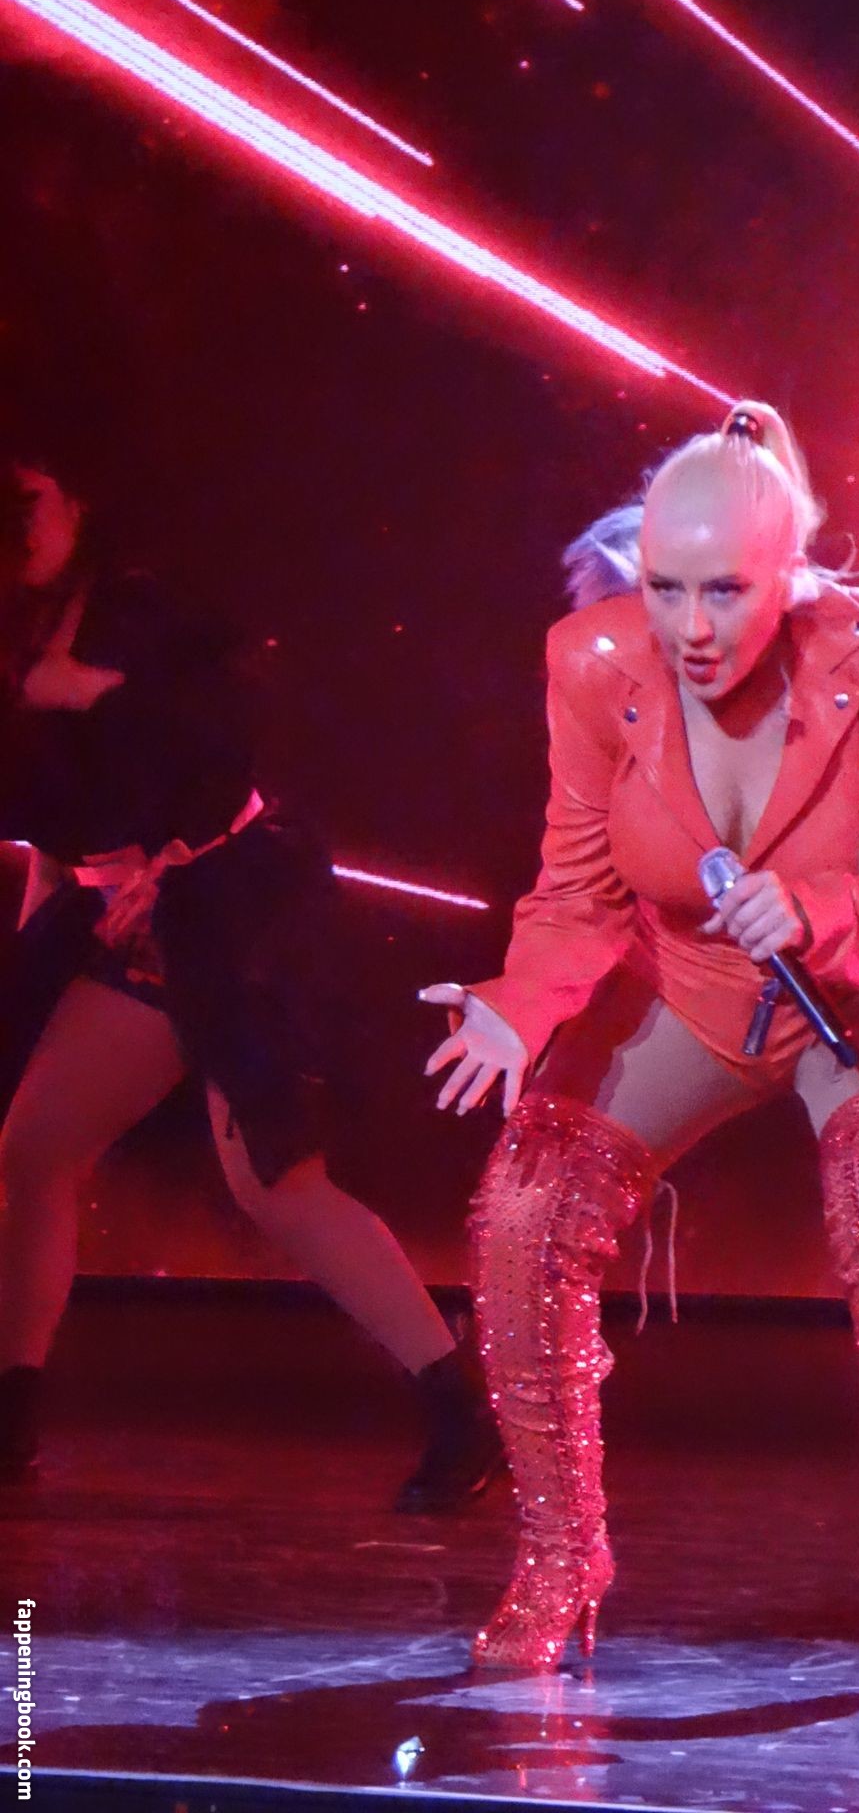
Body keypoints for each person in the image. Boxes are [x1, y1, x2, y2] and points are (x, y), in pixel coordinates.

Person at [420, 402, 859, 1691]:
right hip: (691, 983)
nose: (689, 626)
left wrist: (820, 911)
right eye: (666, 586)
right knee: (525, 1206)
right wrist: (519, 1002)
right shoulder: (591, 661)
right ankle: (561, 1559)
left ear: (790, 574)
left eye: (724, 591)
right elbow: (578, 888)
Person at [0, 438, 493, 1509]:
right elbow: (52, 834)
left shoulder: (144, 611)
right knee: (36, 1147)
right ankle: (12, 1420)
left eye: (34, 495)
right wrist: (58, 928)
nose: (20, 520)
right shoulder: (15, 641)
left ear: (78, 499)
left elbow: (227, 741)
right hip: (142, 929)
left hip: (238, 912)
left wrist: (90, 696)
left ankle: (459, 1407)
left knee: (276, 1182)